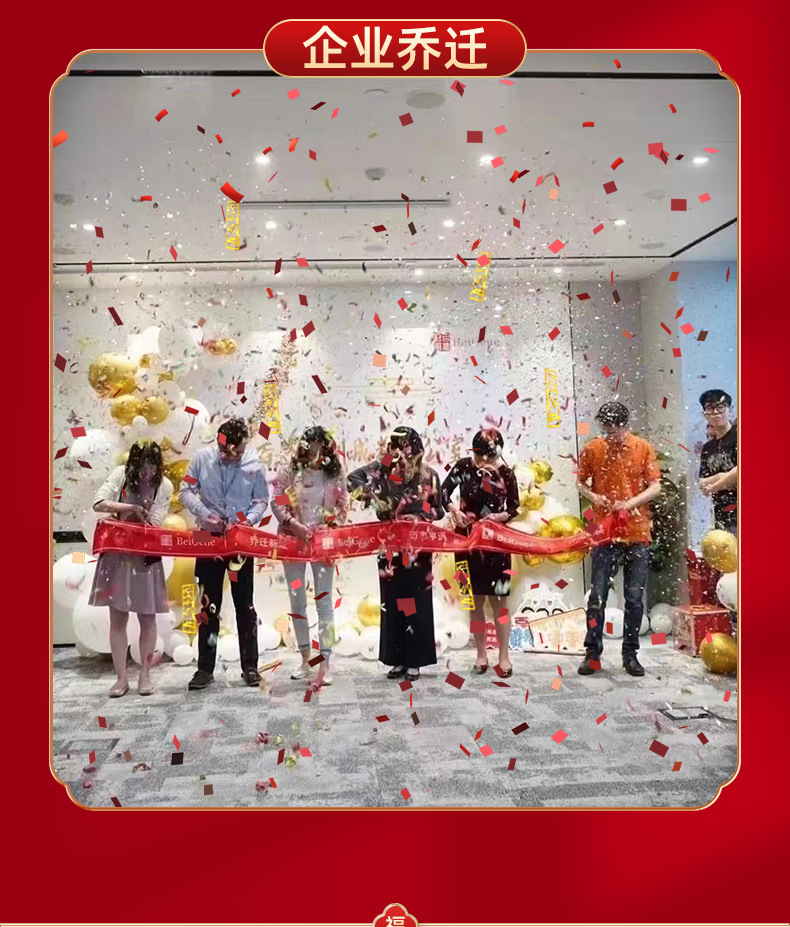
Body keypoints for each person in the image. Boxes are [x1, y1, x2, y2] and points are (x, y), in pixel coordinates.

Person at [347, 426, 444, 681]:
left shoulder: (428, 476)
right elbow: (352, 479)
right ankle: (397, 659)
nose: (402, 454)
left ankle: (414, 661)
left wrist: (418, 513)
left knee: (415, 601)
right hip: (388, 547)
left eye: (406, 448)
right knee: (393, 600)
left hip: (417, 549)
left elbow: (438, 510)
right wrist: (375, 497)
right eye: (396, 448)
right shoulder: (384, 470)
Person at [178, 418, 268, 690]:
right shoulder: (201, 459)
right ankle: (204, 669)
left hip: (241, 541)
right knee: (208, 606)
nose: (234, 456)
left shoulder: (254, 463)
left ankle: (250, 667)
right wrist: (205, 514)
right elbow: (185, 491)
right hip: (207, 539)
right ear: (220, 444)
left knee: (245, 605)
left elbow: (261, 500)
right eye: (229, 452)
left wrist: (248, 521)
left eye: (239, 451)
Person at [576, 402, 661, 677]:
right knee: (597, 597)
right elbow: (580, 482)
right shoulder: (593, 448)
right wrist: (594, 496)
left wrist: (630, 503)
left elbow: (655, 486)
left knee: (634, 598)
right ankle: (592, 653)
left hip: (637, 531)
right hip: (605, 531)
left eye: (614, 429)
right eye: (606, 429)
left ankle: (630, 654)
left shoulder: (642, 447)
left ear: (624, 425)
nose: (610, 434)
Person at [89, 441, 173, 697]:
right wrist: (129, 508)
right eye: (142, 468)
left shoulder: (164, 485)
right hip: (116, 555)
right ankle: (121, 678)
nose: (147, 474)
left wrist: (134, 517)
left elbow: (155, 522)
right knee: (118, 618)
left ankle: (145, 676)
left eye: (152, 469)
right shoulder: (120, 475)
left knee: (147, 617)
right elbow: (98, 502)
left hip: (145, 557)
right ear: (133, 465)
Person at [271, 426, 348, 685]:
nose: (314, 450)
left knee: (324, 603)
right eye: (310, 445)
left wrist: (331, 523)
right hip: (292, 541)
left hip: (323, 543)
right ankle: (305, 659)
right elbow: (277, 500)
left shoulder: (335, 471)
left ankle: (325, 664)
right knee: (297, 601)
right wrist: (293, 524)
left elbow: (343, 504)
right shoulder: (291, 469)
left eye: (319, 445)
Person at [441, 429, 519, 676]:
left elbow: (514, 508)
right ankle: (481, 654)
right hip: (467, 543)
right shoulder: (464, 466)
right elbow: (443, 493)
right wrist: (455, 511)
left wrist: (497, 517)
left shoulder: (507, 473)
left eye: (489, 457)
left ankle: (504, 656)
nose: (483, 462)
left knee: (500, 602)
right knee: (474, 601)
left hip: (496, 544)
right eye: (479, 456)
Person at [698, 390, 738, 537]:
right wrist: (723, 476)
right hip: (721, 515)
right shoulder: (708, 448)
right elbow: (702, 483)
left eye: (720, 407)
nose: (715, 412)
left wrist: (714, 486)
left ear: (730, 410)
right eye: (710, 408)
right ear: (705, 414)